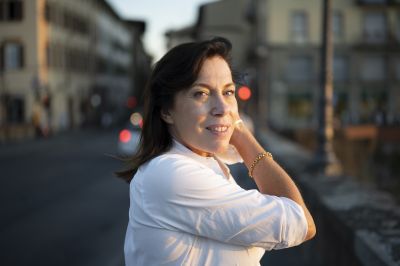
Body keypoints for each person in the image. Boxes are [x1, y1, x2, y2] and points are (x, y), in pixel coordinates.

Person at [118, 37, 316, 265]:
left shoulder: (206, 161)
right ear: (166, 111)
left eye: (228, 92)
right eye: (201, 93)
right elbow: (302, 224)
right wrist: (241, 134)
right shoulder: (171, 174)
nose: (222, 108)